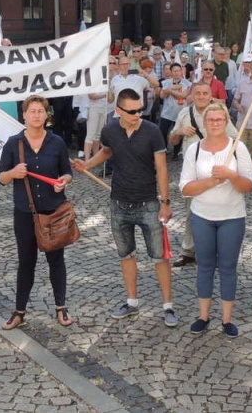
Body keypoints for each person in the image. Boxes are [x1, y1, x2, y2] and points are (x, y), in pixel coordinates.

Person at [72, 89, 178, 328]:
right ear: (118, 110)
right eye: (132, 111)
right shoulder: (109, 130)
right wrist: (87, 164)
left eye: (140, 109)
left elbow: (162, 169)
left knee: (160, 257)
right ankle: (132, 301)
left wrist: (165, 202)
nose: (138, 114)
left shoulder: (152, 131)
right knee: (126, 254)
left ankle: (168, 306)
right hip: (119, 203)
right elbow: (107, 150)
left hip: (149, 203)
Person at [0, 95, 74, 329]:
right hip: (25, 214)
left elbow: (67, 172)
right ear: (24, 115)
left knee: (56, 261)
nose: (37, 115)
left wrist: (64, 181)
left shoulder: (57, 142)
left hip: (53, 212)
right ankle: (19, 311)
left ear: (46, 115)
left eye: (41, 111)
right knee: (26, 263)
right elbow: (0, 178)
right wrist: (13, 173)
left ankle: (61, 308)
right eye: (32, 111)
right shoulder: (13, 143)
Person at [178, 104, 252, 337]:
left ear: (226, 121)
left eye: (219, 119)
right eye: (210, 119)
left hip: (232, 217)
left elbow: (249, 186)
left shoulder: (238, 147)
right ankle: (203, 316)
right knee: (204, 266)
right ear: (205, 121)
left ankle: (227, 319)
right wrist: (210, 182)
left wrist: (231, 175)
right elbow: (185, 188)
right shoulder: (194, 150)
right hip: (202, 217)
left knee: (228, 267)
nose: (214, 123)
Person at [168, 82, 238, 266]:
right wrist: (179, 131)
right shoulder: (185, 114)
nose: (201, 96)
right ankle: (189, 250)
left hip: (215, 171)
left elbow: (235, 138)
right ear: (192, 95)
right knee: (191, 212)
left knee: (215, 211)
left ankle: (210, 252)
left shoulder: (219, 114)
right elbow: (172, 140)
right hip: (192, 172)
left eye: (205, 93)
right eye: (197, 93)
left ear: (210, 95)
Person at [158, 63, 190, 160]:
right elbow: (162, 96)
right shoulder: (166, 82)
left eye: (178, 71)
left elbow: (183, 96)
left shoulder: (187, 83)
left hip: (180, 112)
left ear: (181, 71)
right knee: (162, 132)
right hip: (167, 112)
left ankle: (176, 152)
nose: (176, 73)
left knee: (178, 133)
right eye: (174, 71)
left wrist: (169, 91)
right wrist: (171, 88)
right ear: (171, 72)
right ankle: (163, 150)